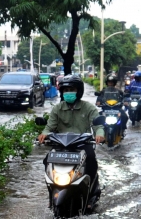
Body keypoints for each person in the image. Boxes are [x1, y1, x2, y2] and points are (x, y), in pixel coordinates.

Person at [38, 74, 105, 203]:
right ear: (62, 92)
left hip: (83, 144)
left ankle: (90, 192)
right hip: (60, 145)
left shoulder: (88, 107)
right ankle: (52, 192)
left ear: (78, 91)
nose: (68, 93)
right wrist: (44, 134)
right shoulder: (57, 108)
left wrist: (99, 134)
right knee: (46, 160)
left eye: (71, 90)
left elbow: (98, 125)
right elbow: (50, 126)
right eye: (66, 90)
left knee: (91, 160)